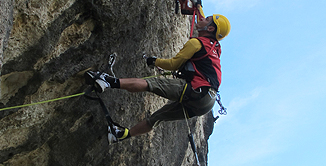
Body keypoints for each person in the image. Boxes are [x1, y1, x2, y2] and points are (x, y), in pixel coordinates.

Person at [85, 12, 231, 143]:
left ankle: (107, 82)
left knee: (150, 84)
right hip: (207, 102)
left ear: (211, 28)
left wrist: (154, 61)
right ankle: (121, 135)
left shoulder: (196, 43)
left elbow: (173, 64)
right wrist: (197, 7)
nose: (202, 18)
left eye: (206, 19)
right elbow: (204, 23)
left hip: (197, 89)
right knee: (157, 118)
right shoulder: (215, 48)